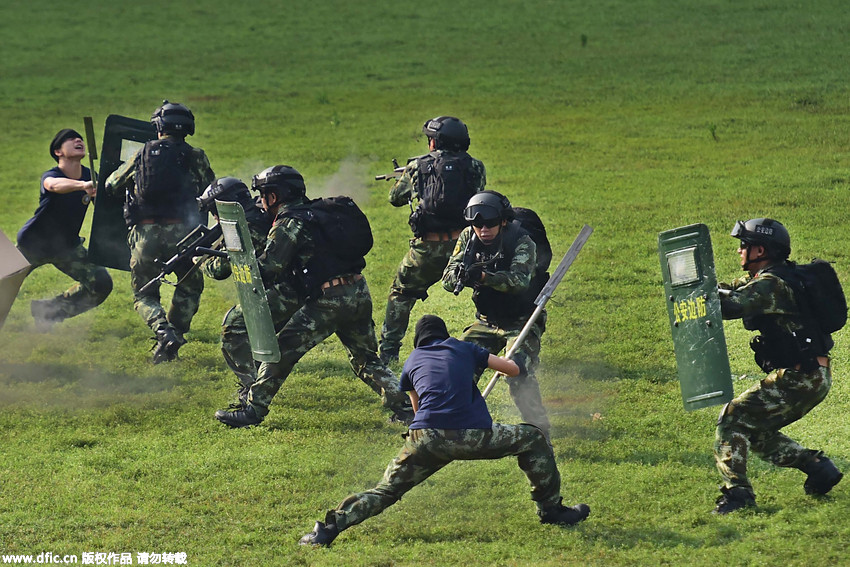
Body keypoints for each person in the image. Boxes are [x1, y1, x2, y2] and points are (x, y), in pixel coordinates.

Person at [299, 315, 590, 547]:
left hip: (424, 439)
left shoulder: (412, 362)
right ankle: (551, 510)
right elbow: (512, 369)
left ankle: (327, 528)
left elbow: (417, 409)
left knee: (386, 490)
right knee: (532, 437)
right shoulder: (463, 347)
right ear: (444, 335)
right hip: (470, 435)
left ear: (418, 342)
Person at [214, 165, 412, 427]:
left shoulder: (288, 222)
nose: (261, 202)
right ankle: (406, 408)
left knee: (282, 350)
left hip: (328, 301)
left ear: (274, 196)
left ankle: (253, 409)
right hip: (357, 291)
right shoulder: (319, 213)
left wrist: (238, 258)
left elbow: (270, 268)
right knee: (366, 360)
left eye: (264, 195)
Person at [713, 218, 843, 514]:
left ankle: (738, 496)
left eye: (744, 246)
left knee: (732, 420)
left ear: (761, 250)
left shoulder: (772, 285)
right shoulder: (777, 277)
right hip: (813, 375)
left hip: (798, 377)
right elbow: (734, 288)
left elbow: (732, 304)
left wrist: (698, 296)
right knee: (755, 431)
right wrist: (707, 286)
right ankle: (817, 467)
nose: (739, 252)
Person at [105, 101, 215, 363]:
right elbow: (211, 190)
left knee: (144, 294)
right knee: (190, 286)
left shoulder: (142, 154)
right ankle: (173, 335)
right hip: (185, 235)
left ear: (158, 127)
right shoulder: (196, 156)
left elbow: (112, 184)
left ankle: (163, 332)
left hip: (146, 235)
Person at [441, 191, 552, 439]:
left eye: (490, 223)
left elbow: (519, 281)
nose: (483, 229)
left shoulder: (522, 240)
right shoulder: (468, 238)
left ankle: (539, 433)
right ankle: (454, 428)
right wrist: (460, 276)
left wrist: (482, 277)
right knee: (456, 368)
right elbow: (447, 279)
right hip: (485, 321)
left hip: (522, 321)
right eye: (477, 224)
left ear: (503, 221)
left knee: (516, 374)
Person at [378, 116, 486, 364]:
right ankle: (490, 331)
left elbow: (395, 197)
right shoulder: (476, 166)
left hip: (427, 248)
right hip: (464, 244)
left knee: (401, 294)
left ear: (435, 142)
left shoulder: (418, 167)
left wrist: (407, 176)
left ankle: (388, 352)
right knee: (484, 284)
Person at [198, 176, 300, 406]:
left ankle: (253, 390)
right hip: (294, 284)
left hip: (285, 291)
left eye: (215, 211)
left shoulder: (244, 225)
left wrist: (201, 261)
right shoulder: (256, 211)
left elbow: (222, 269)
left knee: (232, 329)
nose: (215, 217)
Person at [16, 128, 113, 330]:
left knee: (101, 284)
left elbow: (107, 210)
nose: (78, 139)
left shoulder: (91, 176)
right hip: (33, 245)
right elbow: (53, 185)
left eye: (80, 138)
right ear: (58, 151)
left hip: (66, 247)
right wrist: (82, 186)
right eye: (70, 138)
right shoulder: (52, 175)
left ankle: (49, 312)